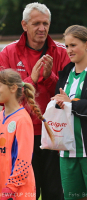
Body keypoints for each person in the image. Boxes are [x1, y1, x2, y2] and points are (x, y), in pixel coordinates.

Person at [0, 2, 71, 200]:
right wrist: (31, 81)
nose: (42, 28)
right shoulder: (8, 53)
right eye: (36, 23)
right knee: (26, 194)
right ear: (24, 25)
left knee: (55, 193)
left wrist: (50, 77)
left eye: (46, 23)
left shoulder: (61, 52)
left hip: (54, 134)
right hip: (20, 136)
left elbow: (69, 96)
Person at [0, 69, 53, 200]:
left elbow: (23, 160)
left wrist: (11, 189)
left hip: (20, 191)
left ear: (13, 88)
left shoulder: (22, 119)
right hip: (4, 189)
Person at [52, 25, 87, 200]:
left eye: (73, 45)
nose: (69, 50)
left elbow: (72, 105)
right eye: (66, 46)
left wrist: (71, 104)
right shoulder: (66, 74)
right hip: (67, 152)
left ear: (86, 45)